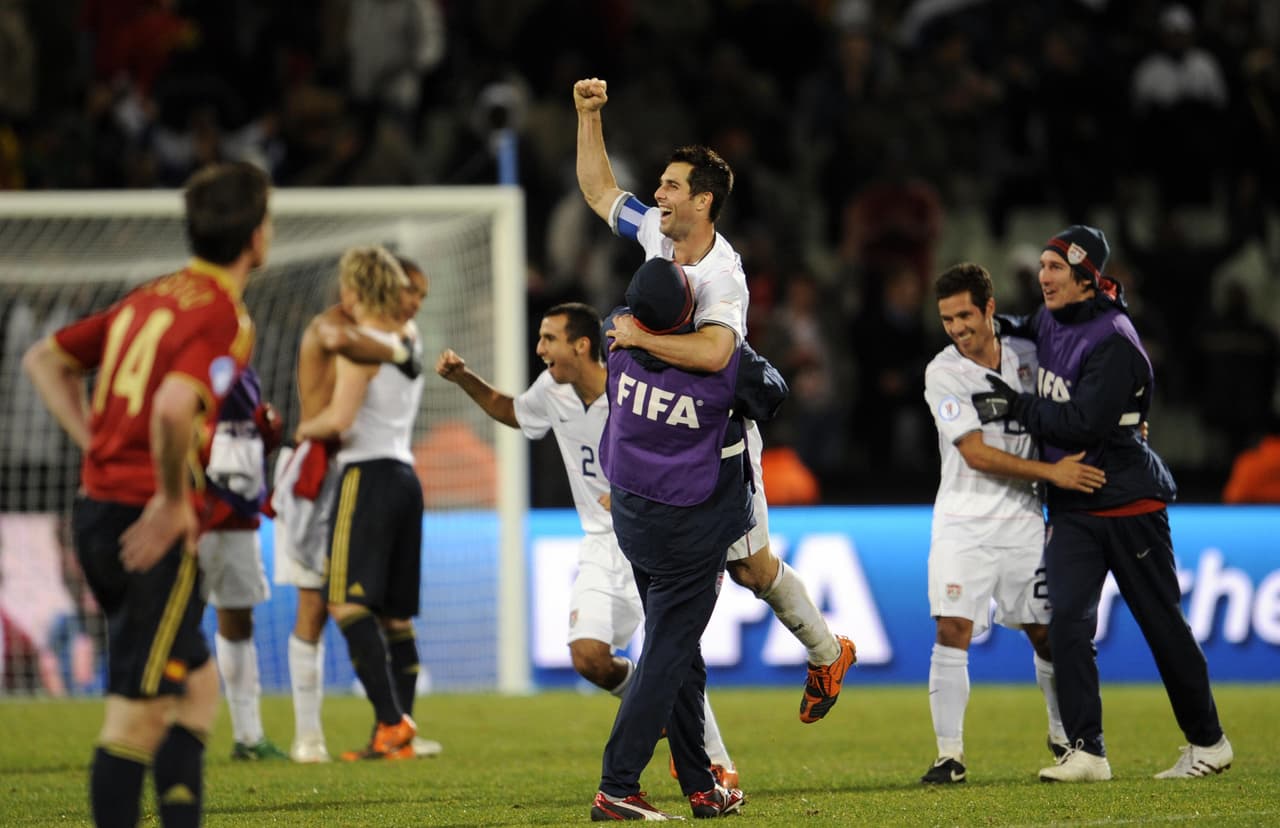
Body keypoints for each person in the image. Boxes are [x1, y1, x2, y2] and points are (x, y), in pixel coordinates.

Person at [574, 77, 856, 724]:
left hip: (715, 443)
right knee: (683, 593)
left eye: (671, 186)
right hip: (660, 436)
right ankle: (700, 751)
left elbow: (716, 354)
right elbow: (598, 191)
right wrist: (589, 116)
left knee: (752, 571)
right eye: (660, 184)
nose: (658, 195)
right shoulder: (658, 234)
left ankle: (825, 652)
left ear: (703, 201)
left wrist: (639, 338)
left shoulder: (723, 276)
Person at [21, 161, 269, 827]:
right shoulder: (224, 315)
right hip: (146, 524)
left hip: (100, 511)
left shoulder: (149, 297)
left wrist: (96, 442)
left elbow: (44, 359)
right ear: (256, 236)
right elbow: (171, 407)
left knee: (198, 691)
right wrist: (172, 498)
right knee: (137, 715)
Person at [435, 301, 740, 788]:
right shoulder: (551, 390)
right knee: (588, 657)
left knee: (672, 656)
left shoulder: (631, 389)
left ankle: (716, 762)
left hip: (648, 537)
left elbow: (679, 448)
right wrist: (464, 379)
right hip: (600, 544)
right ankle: (655, 711)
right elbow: (512, 411)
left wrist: (632, 489)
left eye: (549, 339)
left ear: (581, 345)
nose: (540, 349)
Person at [972, 225, 1232, 782]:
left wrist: (1015, 406)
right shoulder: (1051, 317)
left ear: (1087, 279)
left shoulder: (1115, 339)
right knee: (1066, 622)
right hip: (1073, 506)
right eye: (1043, 266)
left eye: (1056, 268)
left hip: (1127, 503)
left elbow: (1082, 422)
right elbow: (1026, 329)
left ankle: (1209, 742)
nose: (1043, 276)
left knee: (1162, 626)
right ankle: (1087, 750)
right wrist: (987, 326)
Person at [592, 257, 785, 821]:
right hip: (690, 527)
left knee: (678, 648)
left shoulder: (616, 339)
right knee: (666, 654)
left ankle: (701, 785)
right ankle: (617, 786)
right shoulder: (724, 368)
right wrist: (720, 336)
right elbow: (772, 393)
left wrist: (646, 331)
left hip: (633, 515)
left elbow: (625, 323)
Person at [921, 262, 1107, 784]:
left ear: (989, 308)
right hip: (963, 521)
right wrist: (1054, 473)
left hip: (1025, 519)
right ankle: (949, 755)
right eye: (947, 319)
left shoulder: (1029, 353)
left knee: (1046, 633)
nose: (957, 328)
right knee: (952, 626)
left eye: (965, 316)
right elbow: (975, 453)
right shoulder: (943, 373)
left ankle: (1064, 736)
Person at [271, 254, 429, 763]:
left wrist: (302, 428)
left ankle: (389, 723)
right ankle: (396, 732)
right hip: (403, 475)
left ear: (353, 289)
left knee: (339, 602)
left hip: (357, 474)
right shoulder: (409, 338)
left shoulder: (354, 341)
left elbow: (338, 419)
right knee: (392, 616)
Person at [197, 366, 289, 760]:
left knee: (238, 620)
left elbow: (252, 440)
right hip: (192, 517)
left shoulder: (241, 374)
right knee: (173, 624)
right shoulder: (188, 364)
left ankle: (248, 737)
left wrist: (265, 428)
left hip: (238, 522)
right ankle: (154, 735)